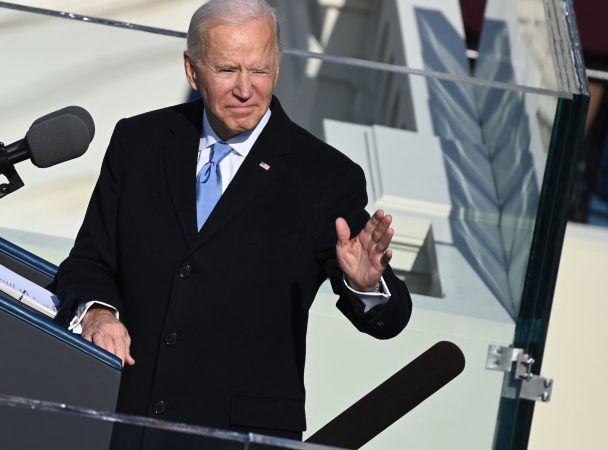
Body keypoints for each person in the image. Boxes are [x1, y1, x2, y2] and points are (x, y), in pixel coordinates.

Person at [54, 0, 411, 442]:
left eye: (259, 70)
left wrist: (363, 284)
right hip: (122, 419)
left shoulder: (325, 177)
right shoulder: (139, 142)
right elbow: (89, 260)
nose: (246, 89)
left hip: (237, 436)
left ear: (276, 69)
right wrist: (99, 313)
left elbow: (391, 318)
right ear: (193, 70)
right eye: (227, 70)